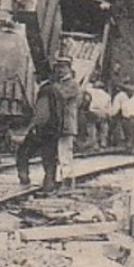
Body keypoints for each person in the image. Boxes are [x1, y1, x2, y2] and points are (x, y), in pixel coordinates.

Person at [16, 68, 64, 193]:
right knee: (49, 157)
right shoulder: (56, 90)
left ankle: (24, 177)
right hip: (54, 129)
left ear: (39, 77)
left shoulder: (44, 91)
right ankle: (49, 183)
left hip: (42, 129)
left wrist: (31, 128)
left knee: (23, 152)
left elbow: (42, 114)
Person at [52, 57, 82, 188]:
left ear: (69, 68)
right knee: (59, 152)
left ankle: (68, 181)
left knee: (65, 153)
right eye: (58, 67)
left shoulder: (72, 84)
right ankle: (62, 179)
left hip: (66, 123)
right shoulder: (60, 83)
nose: (60, 70)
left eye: (62, 67)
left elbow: (60, 95)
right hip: (58, 123)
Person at [84, 79, 113, 151]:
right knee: (104, 128)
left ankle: (94, 144)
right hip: (103, 112)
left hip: (93, 111)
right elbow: (109, 108)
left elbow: (84, 88)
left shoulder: (93, 91)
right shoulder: (107, 95)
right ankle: (103, 144)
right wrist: (108, 115)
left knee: (92, 127)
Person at [112, 82, 134, 153]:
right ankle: (132, 146)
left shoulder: (121, 96)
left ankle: (131, 146)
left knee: (130, 133)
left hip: (129, 118)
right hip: (132, 118)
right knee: (132, 134)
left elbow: (115, 110)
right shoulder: (133, 98)